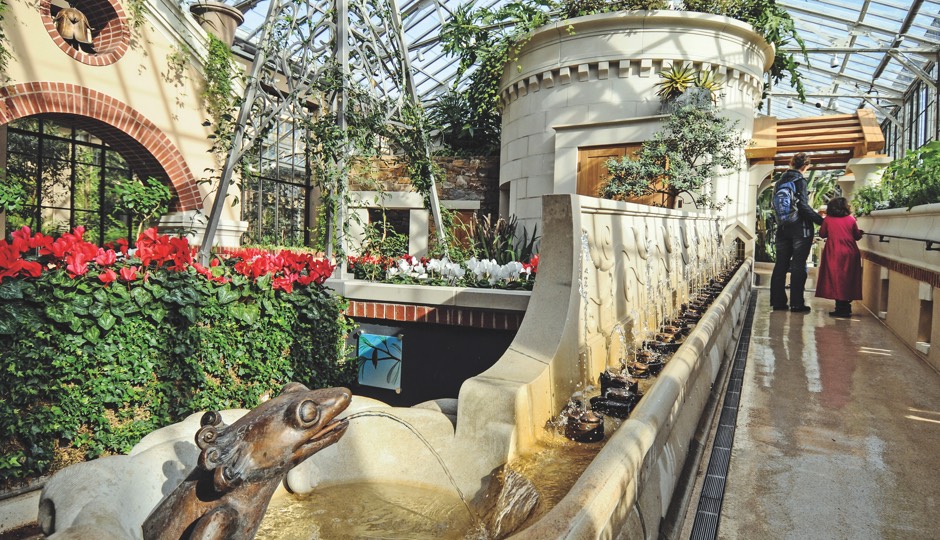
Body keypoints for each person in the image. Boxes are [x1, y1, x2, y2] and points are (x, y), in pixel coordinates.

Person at [770, 153, 824, 312]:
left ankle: (778, 302)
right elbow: (803, 206)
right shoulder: (800, 180)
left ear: (791, 163)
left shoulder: (779, 181)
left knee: (780, 265)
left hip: (782, 228)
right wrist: (821, 221)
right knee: (798, 266)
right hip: (800, 229)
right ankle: (796, 303)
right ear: (805, 166)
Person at [815, 197, 863, 317]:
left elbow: (822, 234)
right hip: (850, 252)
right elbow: (857, 236)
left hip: (834, 252)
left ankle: (841, 307)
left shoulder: (828, 220)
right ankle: (845, 306)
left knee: (836, 278)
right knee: (848, 278)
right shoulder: (851, 219)